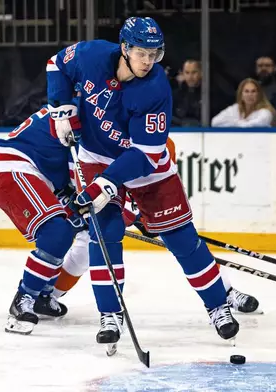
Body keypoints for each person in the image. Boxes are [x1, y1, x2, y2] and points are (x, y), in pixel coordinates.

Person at [45, 16, 247, 347]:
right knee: (104, 235)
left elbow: (145, 155)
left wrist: (107, 183)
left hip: (147, 166)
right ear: (124, 48)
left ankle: (218, 307)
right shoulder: (93, 55)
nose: (148, 61)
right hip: (96, 156)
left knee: (182, 239)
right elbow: (57, 65)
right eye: (142, 53)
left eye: (155, 54)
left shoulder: (155, 89)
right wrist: (61, 107)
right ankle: (110, 314)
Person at [0, 105, 87, 335]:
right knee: (57, 231)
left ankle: (42, 296)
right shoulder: (83, 115)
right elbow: (82, 183)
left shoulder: (81, 105)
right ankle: (25, 297)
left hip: (31, 171)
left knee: (67, 227)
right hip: (12, 168)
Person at [211, 78, 276, 127]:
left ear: (258, 94)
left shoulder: (265, 112)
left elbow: (257, 124)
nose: (250, 95)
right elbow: (215, 122)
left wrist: (234, 122)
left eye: (253, 91)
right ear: (241, 95)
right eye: (246, 91)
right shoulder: (235, 108)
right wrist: (238, 122)